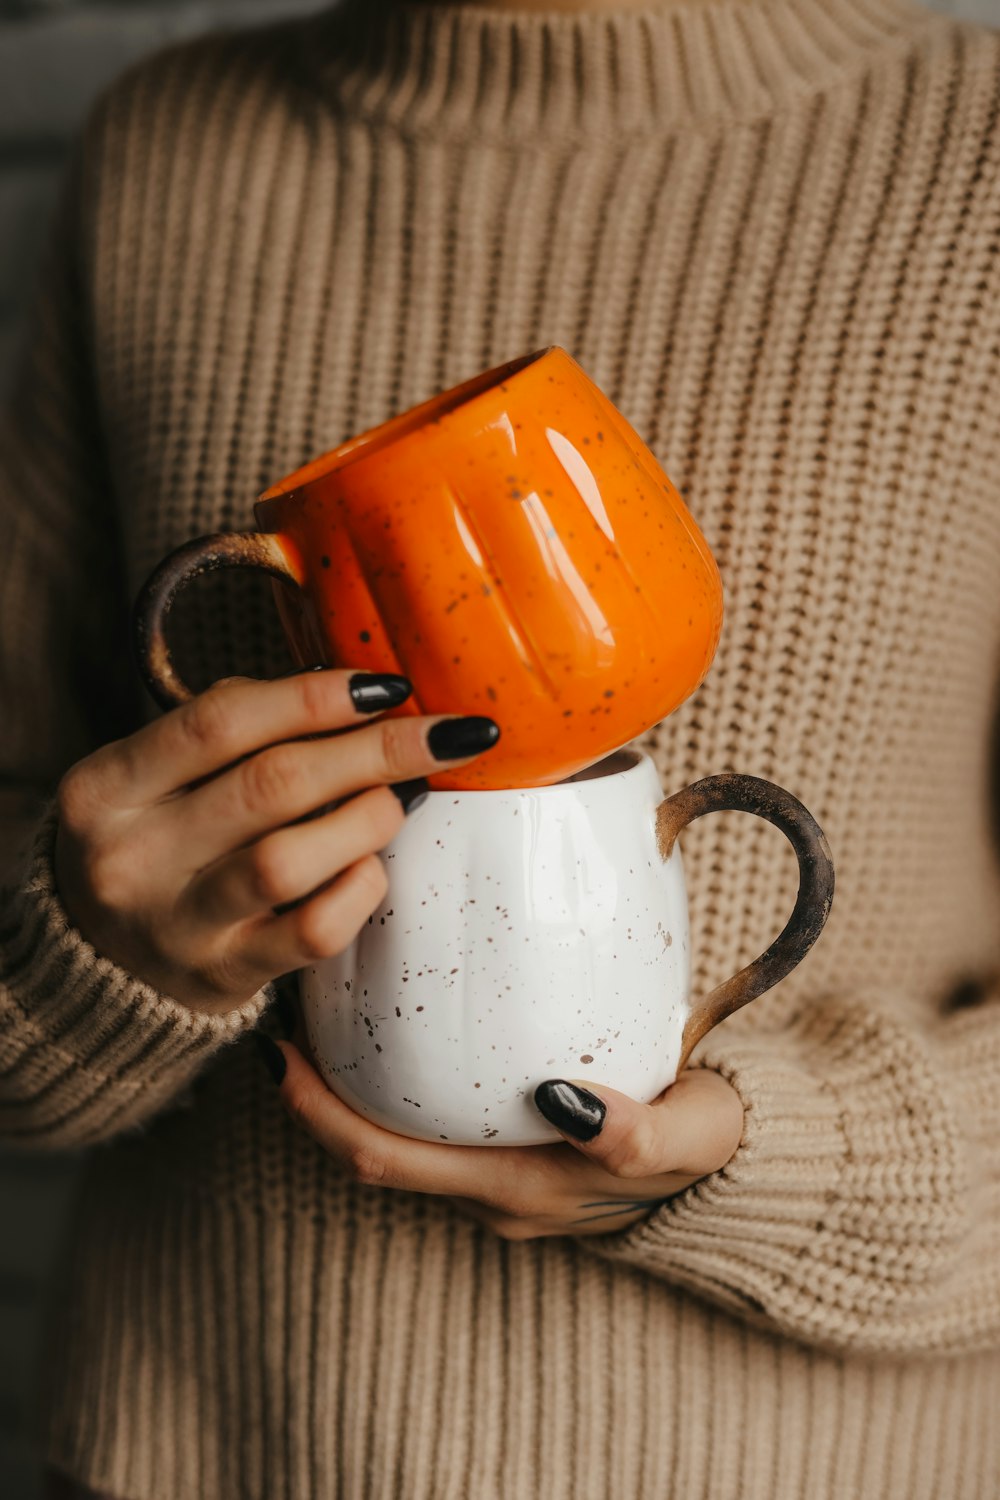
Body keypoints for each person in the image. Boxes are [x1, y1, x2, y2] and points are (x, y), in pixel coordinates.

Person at [2, 0, 999, 1495]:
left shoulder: (972, 146)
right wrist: (100, 957)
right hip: (204, 1446)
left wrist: (779, 1159)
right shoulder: (169, 150)